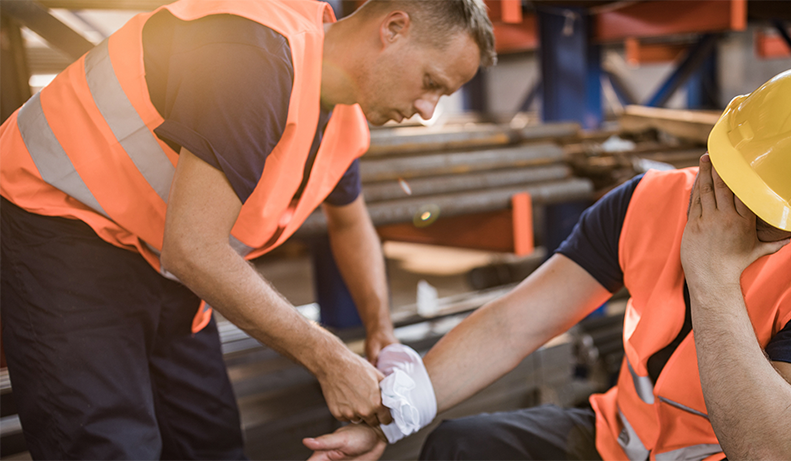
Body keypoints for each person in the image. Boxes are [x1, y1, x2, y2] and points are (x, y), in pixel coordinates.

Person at [304, 67, 791, 461]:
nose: (734, 211)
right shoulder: (646, 201)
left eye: (762, 206)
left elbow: (774, 450)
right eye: (729, 180)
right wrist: (395, 415)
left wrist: (713, 278)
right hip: (622, 441)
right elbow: (518, 322)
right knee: (460, 447)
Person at [0, 0, 495, 459]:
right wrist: (330, 359)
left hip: (159, 259)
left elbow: (350, 220)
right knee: (110, 445)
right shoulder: (255, 58)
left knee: (210, 442)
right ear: (393, 28)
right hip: (60, 229)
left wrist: (380, 332)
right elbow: (193, 248)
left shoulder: (342, 110)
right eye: (432, 82)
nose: (429, 110)